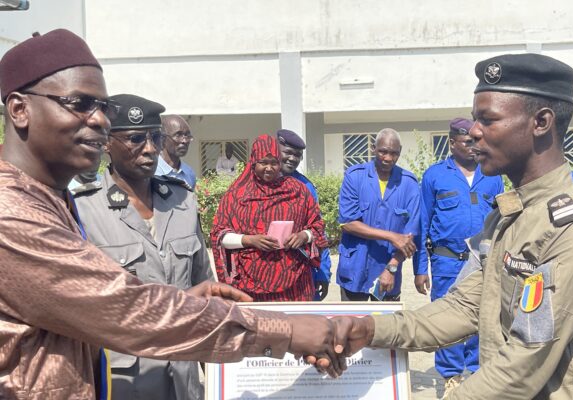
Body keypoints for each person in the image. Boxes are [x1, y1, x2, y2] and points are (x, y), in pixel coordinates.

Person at [0, 29, 345, 399]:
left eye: (103, 108)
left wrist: (187, 299)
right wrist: (287, 332)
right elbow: (126, 308)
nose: (99, 120)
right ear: (20, 109)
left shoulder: (49, 200)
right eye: (80, 103)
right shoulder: (12, 213)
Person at [332, 54, 573, 399]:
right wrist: (367, 328)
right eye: (476, 120)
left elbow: (523, 364)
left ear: (541, 122)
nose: (473, 132)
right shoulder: (507, 218)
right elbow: (460, 309)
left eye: (488, 120)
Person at [74, 94, 214, 399]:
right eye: (136, 138)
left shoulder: (183, 201)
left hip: (184, 374)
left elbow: (205, 287)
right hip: (126, 378)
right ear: (107, 143)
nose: (150, 149)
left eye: (154, 137)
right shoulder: (83, 210)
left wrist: (217, 371)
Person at [416, 117, 504, 395]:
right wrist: (421, 269)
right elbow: (422, 224)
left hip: (483, 260)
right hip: (446, 260)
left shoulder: (492, 175)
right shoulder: (435, 176)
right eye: (468, 141)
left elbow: (502, 220)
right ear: (452, 142)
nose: (474, 146)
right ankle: (451, 376)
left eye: (477, 141)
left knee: (485, 314)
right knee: (447, 318)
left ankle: (477, 372)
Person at [211, 134, 329, 301]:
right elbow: (219, 235)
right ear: (253, 162)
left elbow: (317, 225)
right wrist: (249, 240)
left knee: (294, 326)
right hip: (249, 287)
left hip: (295, 286)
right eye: (263, 162)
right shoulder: (237, 195)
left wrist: (304, 236)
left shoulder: (298, 191)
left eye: (274, 162)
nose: (269, 168)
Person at [336, 128, 422, 301]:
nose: (388, 158)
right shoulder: (354, 177)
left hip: (387, 272)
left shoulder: (409, 184)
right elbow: (348, 223)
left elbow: (409, 237)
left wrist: (392, 267)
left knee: (385, 327)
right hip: (354, 270)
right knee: (352, 326)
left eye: (394, 153)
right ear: (373, 148)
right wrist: (391, 236)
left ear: (400, 152)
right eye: (383, 151)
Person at [276, 128, 332, 301]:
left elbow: (318, 228)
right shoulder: (254, 183)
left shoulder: (306, 186)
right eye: (288, 153)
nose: (293, 159)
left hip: (300, 272)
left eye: (298, 155)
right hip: (266, 270)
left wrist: (323, 273)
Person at [156, 114, 196, 189]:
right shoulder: (152, 171)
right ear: (162, 138)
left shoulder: (189, 173)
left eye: (187, 135)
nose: (184, 141)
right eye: (178, 135)